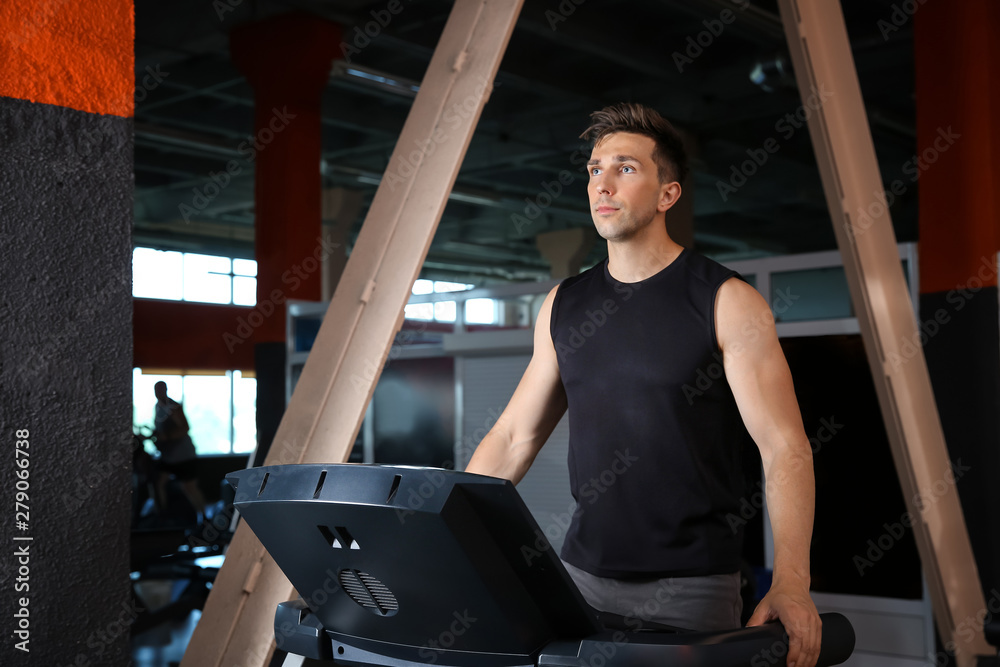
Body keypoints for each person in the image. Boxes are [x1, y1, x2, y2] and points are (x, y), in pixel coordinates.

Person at [465, 103, 822, 667]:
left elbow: (784, 447)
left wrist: (793, 583)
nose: (601, 183)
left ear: (667, 195)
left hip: (692, 591)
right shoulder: (563, 304)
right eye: (594, 169)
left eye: (625, 168)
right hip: (579, 579)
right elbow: (514, 437)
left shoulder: (726, 302)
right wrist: (451, 536)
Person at [152, 381, 207, 522]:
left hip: (184, 456)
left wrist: (168, 436)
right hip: (168, 456)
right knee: (159, 483)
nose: (158, 393)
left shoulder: (174, 407)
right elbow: (160, 431)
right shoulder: (158, 407)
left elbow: (185, 428)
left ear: (166, 390)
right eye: (156, 390)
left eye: (161, 390)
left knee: (189, 488)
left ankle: (205, 517)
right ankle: (162, 516)